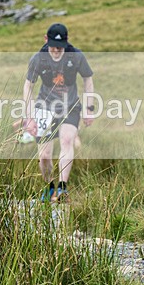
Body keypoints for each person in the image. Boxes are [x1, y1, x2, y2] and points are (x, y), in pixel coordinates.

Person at [22, 23, 95, 202]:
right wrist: (29, 117)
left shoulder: (76, 56)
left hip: (70, 106)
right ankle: (49, 187)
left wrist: (89, 108)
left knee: (67, 140)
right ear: (46, 40)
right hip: (45, 108)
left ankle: (62, 188)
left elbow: (88, 79)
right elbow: (28, 86)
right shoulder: (38, 59)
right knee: (44, 155)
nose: (56, 51)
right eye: (53, 47)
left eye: (60, 47)